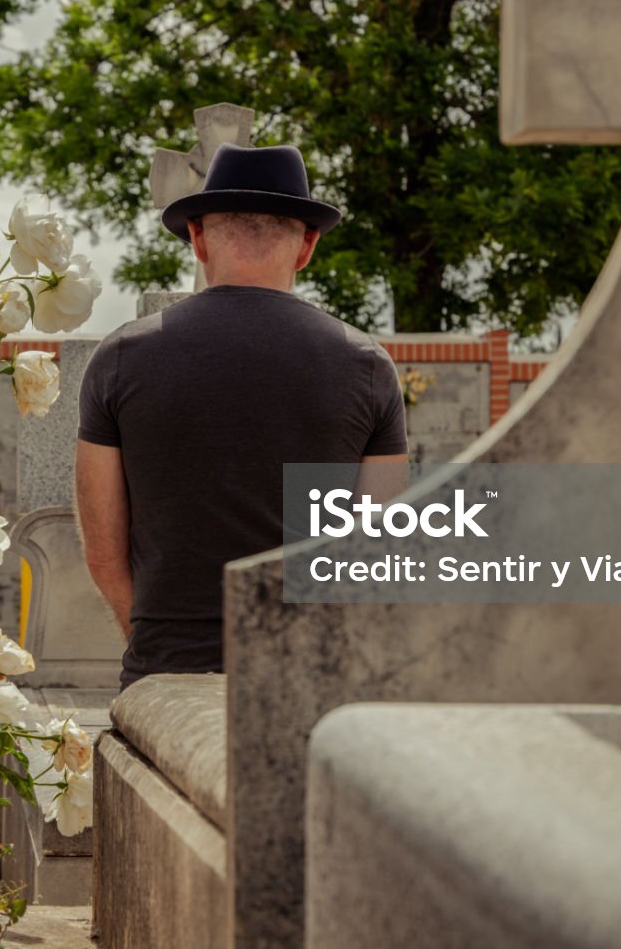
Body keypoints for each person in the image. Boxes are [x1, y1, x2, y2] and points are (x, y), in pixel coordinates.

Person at [74, 142, 409, 690]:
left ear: (198, 240)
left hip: (165, 674)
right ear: (307, 246)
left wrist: (151, 640)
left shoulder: (119, 359)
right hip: (306, 675)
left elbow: (103, 550)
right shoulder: (366, 367)